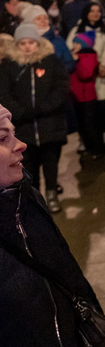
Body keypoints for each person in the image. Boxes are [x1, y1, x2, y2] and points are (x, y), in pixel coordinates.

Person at [0, 101, 105, 347]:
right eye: (3, 138)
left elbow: (65, 272)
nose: (20, 145)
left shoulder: (24, 198)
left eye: (14, 134)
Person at [0, 24, 69, 213]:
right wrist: (21, 112)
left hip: (49, 124)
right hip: (24, 127)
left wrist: (43, 108)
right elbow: (4, 93)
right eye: (23, 43)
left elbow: (61, 87)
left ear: (38, 43)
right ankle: (35, 198)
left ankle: (52, 193)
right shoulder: (9, 66)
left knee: (51, 161)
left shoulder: (50, 62)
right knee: (29, 165)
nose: (27, 46)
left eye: (31, 42)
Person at [67, 2, 105, 155]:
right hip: (83, 77)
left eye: (98, 11)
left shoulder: (104, 32)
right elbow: (70, 48)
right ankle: (84, 139)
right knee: (84, 111)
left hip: (99, 76)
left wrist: (104, 65)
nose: (95, 14)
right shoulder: (77, 30)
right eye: (91, 11)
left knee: (103, 107)